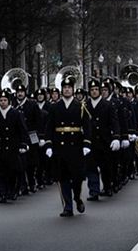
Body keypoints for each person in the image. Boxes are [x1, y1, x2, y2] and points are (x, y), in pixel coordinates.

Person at [44, 77, 92, 217]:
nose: (67, 89)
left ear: (73, 89)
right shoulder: (55, 107)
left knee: (77, 177)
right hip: (60, 147)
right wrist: (48, 145)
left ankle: (77, 197)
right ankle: (67, 206)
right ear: (61, 90)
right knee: (62, 177)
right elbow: (49, 128)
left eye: (69, 88)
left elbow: (87, 127)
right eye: (64, 88)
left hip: (76, 147)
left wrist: (86, 144)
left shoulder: (80, 106)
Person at [0, 89, 29, 203]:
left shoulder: (16, 113)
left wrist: (23, 145)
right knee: (1, 173)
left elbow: (22, 130)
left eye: (5, 100)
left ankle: (12, 191)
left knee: (12, 171)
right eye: (1, 100)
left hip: (12, 148)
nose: (2, 102)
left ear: (9, 101)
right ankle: (2, 194)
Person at [85, 79, 120, 201]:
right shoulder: (85, 105)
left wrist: (116, 137)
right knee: (91, 167)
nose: (94, 92)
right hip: (90, 141)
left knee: (106, 166)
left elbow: (114, 122)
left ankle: (107, 186)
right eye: (92, 90)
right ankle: (94, 191)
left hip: (105, 140)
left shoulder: (108, 104)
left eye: (96, 90)